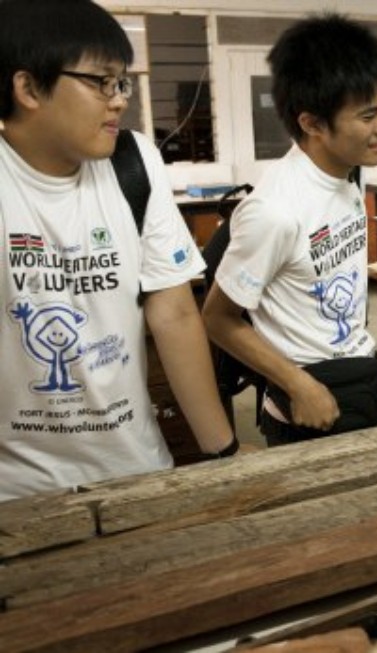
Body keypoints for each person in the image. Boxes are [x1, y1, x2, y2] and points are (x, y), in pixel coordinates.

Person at [0, 0, 237, 500]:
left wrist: (224, 453)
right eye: (100, 82)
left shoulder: (134, 162)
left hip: (138, 468)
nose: (118, 101)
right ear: (28, 88)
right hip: (18, 495)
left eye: (121, 83)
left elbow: (174, 314)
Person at [203, 14, 377, 446]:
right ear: (311, 124)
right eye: (368, 115)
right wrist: (298, 385)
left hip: (360, 378)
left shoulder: (346, 175)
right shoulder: (274, 211)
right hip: (309, 402)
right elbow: (217, 318)